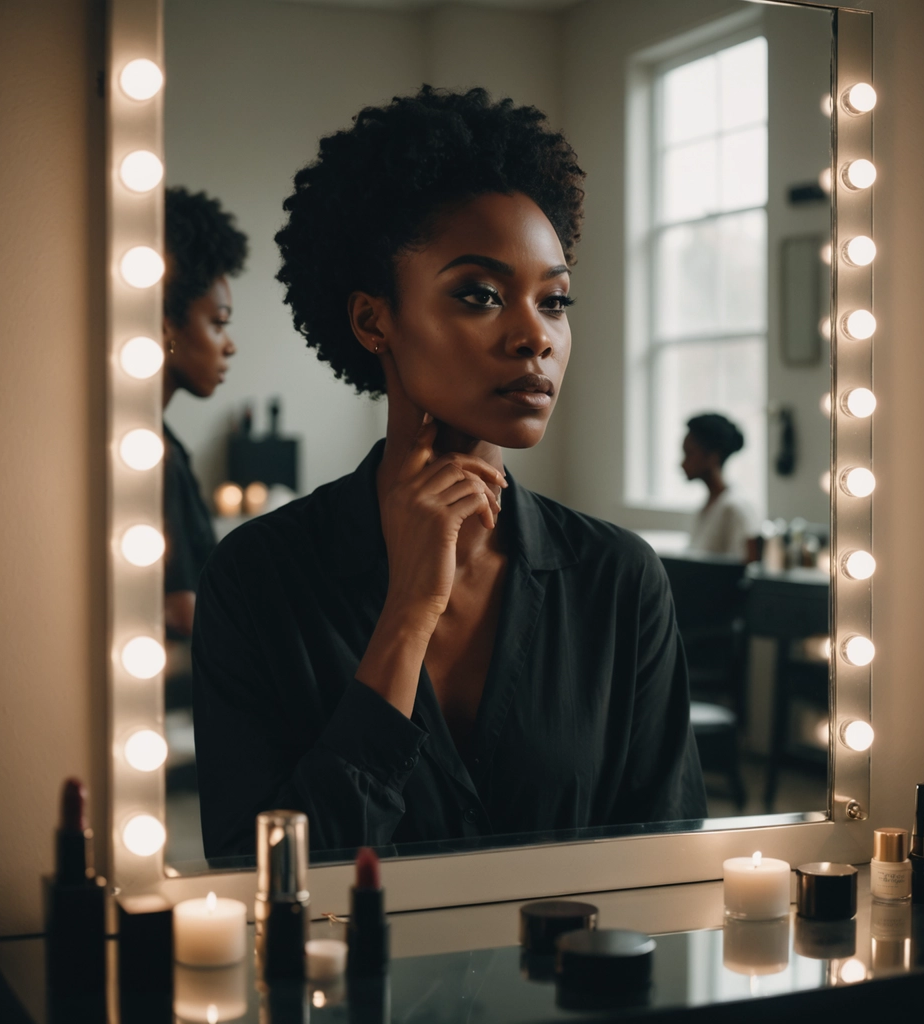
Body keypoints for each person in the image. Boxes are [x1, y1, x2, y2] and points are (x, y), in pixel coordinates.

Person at [192, 86, 706, 858]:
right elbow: (254, 878)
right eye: (481, 294)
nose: (535, 336)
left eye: (556, 301)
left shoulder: (619, 582)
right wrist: (408, 611)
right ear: (374, 320)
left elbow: (668, 868)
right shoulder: (258, 578)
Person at [162, 187, 248, 638]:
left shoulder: (161, 445)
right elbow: (179, 610)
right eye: (218, 322)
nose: (229, 345)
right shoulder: (153, 456)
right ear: (167, 325)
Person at [681, 413, 757, 561]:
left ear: (712, 457)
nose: (682, 463)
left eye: (689, 454)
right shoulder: (706, 506)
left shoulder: (734, 508)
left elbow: (742, 570)